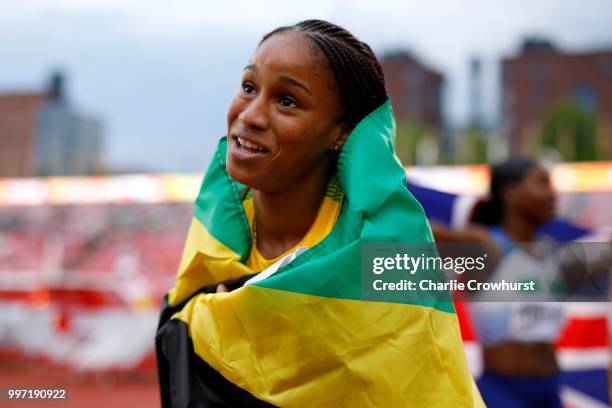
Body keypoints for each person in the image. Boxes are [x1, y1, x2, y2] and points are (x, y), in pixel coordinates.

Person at [156, 20, 482, 407]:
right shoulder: (218, 226)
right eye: (249, 87)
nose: (251, 115)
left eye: (287, 101)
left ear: (341, 133)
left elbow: (489, 265)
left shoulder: (379, 249)